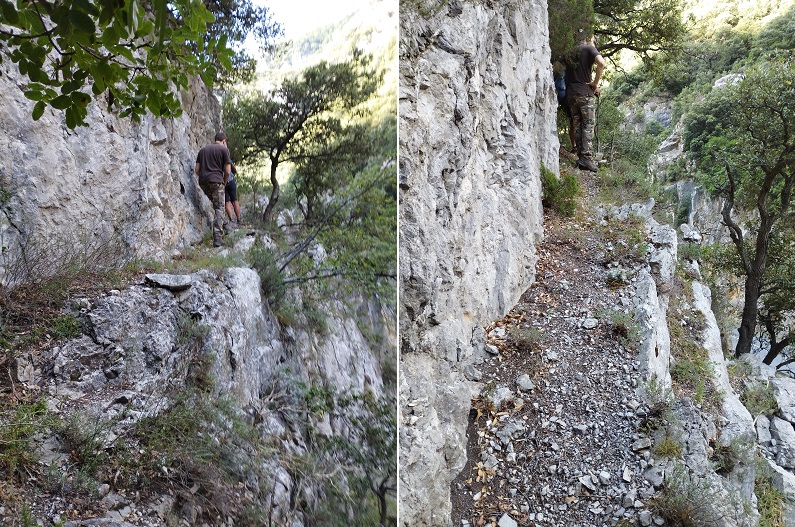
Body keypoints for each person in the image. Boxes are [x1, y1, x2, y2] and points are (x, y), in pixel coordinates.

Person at [565, 29, 606, 173]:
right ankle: (586, 158)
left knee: (576, 123)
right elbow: (601, 63)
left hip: (571, 93)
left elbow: (559, 67)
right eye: (593, 39)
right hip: (584, 94)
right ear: (588, 38)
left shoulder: (569, 51)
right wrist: (595, 83)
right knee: (588, 124)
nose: (593, 42)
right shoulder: (589, 48)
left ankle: (581, 157)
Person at [195, 132, 232, 247]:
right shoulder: (224, 150)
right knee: (220, 207)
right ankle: (217, 238)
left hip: (203, 182)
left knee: (217, 205)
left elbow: (196, 170)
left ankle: (226, 226)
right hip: (217, 181)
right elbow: (227, 171)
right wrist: (224, 183)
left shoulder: (203, 150)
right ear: (224, 141)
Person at [553, 60, 577, 154]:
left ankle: (575, 146)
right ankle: (576, 146)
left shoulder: (564, 71)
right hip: (567, 98)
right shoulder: (563, 71)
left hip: (565, 97)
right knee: (575, 122)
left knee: (574, 122)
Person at [225, 161, 243, 227]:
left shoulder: (214, 158)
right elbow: (234, 169)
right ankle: (239, 219)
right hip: (230, 180)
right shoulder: (225, 155)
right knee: (234, 200)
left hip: (222, 183)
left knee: (226, 202)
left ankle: (231, 220)